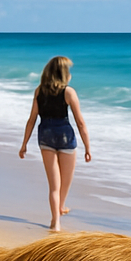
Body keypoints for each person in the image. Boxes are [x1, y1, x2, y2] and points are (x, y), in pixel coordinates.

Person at [19, 55, 91, 231]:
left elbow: (32, 119)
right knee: (65, 181)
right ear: (63, 73)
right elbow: (80, 122)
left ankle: (55, 220)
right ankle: (60, 209)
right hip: (65, 137)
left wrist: (24, 144)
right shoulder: (68, 92)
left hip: (45, 137)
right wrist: (87, 147)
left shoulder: (39, 91)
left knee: (54, 185)